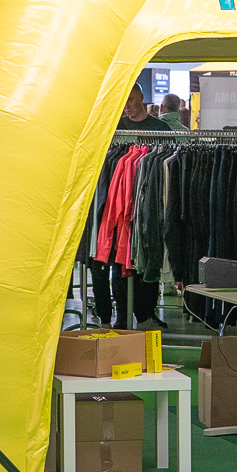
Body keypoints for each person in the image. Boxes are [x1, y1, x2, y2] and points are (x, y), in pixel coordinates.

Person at [88, 85, 169, 330]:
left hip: (147, 197)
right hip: (121, 196)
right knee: (120, 262)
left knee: (146, 259)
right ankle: (123, 314)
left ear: (142, 98)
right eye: (123, 102)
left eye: (131, 100)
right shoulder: (116, 128)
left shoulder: (160, 128)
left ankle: (146, 313)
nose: (127, 107)